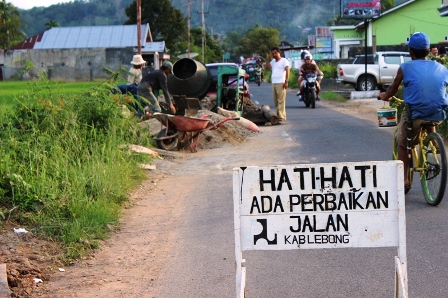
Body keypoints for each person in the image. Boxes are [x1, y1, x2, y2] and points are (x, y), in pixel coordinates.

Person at [378, 32, 448, 190]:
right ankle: (435, 141)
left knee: (403, 143)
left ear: (410, 51)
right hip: (439, 112)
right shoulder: (441, 67)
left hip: (415, 113)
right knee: (431, 109)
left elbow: (393, 89)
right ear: (429, 50)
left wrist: (385, 96)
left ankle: (404, 179)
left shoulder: (405, 67)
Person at [265, 47, 290, 122]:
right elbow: (267, 68)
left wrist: (286, 81)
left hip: (281, 82)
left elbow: (287, 70)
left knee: (281, 100)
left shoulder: (284, 61)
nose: (274, 55)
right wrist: (268, 58)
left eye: (275, 53)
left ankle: (281, 116)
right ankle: (278, 115)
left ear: (280, 53)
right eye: (273, 53)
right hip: (274, 82)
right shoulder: (273, 61)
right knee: (275, 100)